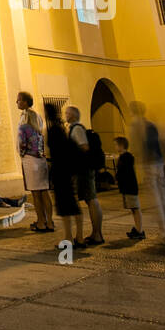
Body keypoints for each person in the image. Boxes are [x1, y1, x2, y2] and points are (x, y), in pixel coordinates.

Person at [129, 101, 165, 243]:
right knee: (164, 199)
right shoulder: (151, 124)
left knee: (157, 201)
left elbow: (137, 147)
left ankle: (164, 234)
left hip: (149, 165)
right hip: (159, 163)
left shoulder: (135, 126)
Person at [45, 103, 83, 249]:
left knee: (65, 207)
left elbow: (55, 152)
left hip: (60, 170)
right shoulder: (61, 128)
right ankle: (78, 237)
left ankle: (69, 238)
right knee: (72, 205)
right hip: (67, 170)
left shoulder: (54, 129)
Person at [65, 105, 105, 245]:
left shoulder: (76, 129)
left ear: (74, 115)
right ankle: (96, 233)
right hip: (84, 169)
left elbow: (84, 146)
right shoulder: (76, 128)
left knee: (91, 199)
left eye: (68, 113)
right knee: (91, 200)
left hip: (83, 170)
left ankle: (97, 234)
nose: (65, 115)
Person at [16, 90, 54, 232]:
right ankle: (49, 221)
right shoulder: (37, 116)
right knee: (44, 191)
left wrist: (22, 152)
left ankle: (41, 222)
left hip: (31, 159)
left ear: (25, 102)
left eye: (19, 100)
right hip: (41, 158)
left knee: (36, 193)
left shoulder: (25, 119)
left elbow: (21, 141)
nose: (17, 102)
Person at [114, 135, 145, 240]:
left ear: (121, 145)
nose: (115, 147)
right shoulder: (126, 157)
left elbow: (124, 172)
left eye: (116, 145)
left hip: (129, 187)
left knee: (135, 208)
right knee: (133, 209)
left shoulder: (125, 157)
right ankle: (138, 229)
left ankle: (140, 230)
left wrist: (117, 177)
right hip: (129, 187)